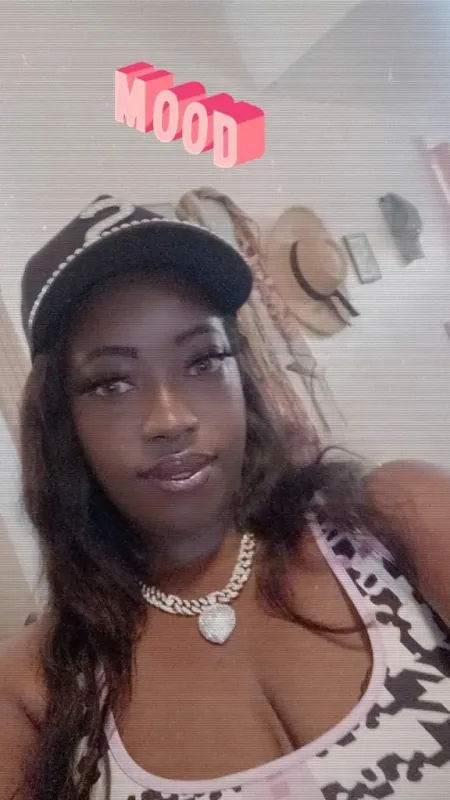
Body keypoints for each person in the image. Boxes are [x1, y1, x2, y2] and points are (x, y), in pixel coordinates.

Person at [1, 194, 449, 800]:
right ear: (62, 424)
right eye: (111, 383)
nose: (171, 419)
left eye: (203, 360)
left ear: (243, 372)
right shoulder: (35, 690)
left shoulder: (401, 520)